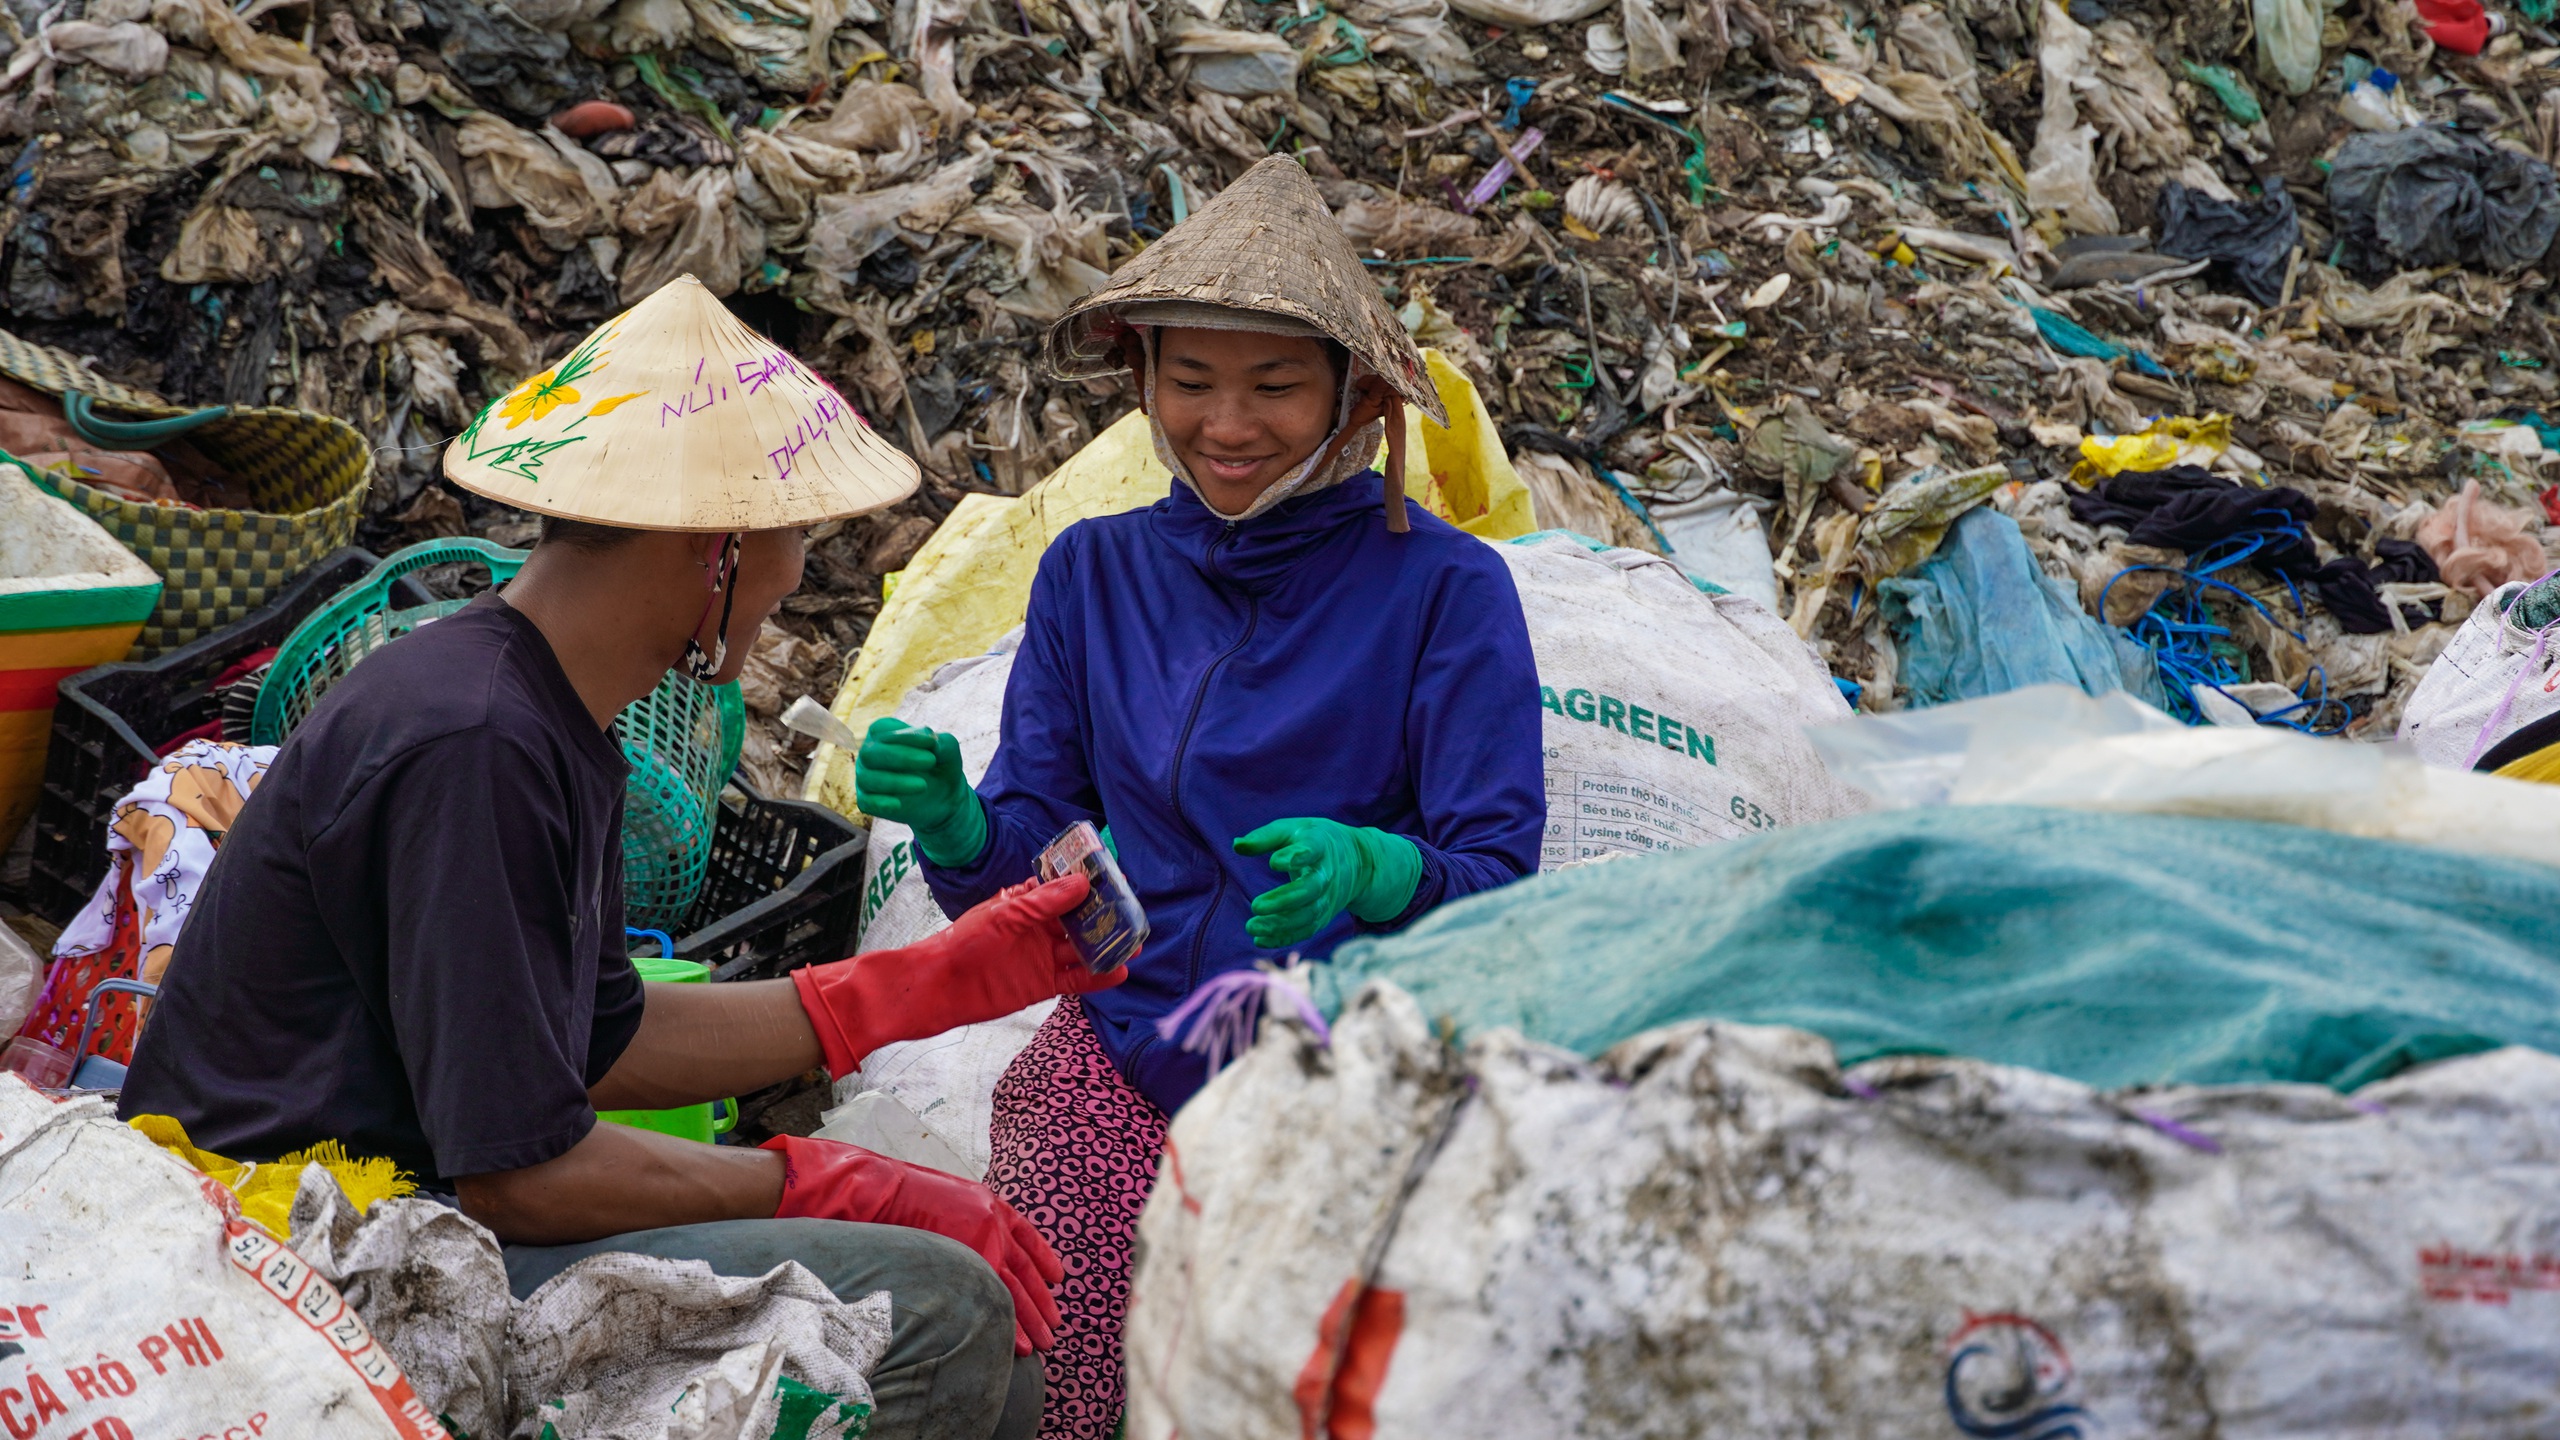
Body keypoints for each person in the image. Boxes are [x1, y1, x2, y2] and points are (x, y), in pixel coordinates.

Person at [119, 277, 1119, 1440]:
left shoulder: (541, 712)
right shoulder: (476, 742)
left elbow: (599, 1036)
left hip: (432, 1202)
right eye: (791, 538)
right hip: (322, 1261)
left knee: (1003, 1364)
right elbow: (521, 1175)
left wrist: (919, 984)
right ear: (720, 550)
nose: (795, 577)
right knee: (936, 1308)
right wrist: (836, 1179)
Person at [852, 156, 1547, 1437]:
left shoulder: (1449, 594)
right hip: (1121, 1061)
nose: (1227, 425)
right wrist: (957, 824)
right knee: (1049, 1381)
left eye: (1276, 385)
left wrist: (1380, 872)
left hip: (1343, 1084)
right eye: (1190, 382)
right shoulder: (1091, 574)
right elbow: (1036, 861)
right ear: (1143, 383)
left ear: (1355, 394)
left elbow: (1497, 874)